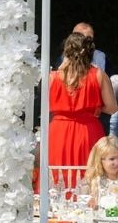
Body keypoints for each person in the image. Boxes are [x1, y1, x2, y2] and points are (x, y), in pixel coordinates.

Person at [49, 31, 118, 181]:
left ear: (66, 52)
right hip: (88, 129)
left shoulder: (52, 77)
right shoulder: (98, 74)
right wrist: (96, 108)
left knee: (58, 175)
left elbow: (46, 105)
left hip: (59, 132)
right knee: (89, 173)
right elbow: (112, 107)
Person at [85, 135, 118, 208]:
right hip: (100, 218)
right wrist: (89, 203)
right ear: (100, 161)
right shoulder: (93, 180)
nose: (116, 162)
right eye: (112, 159)